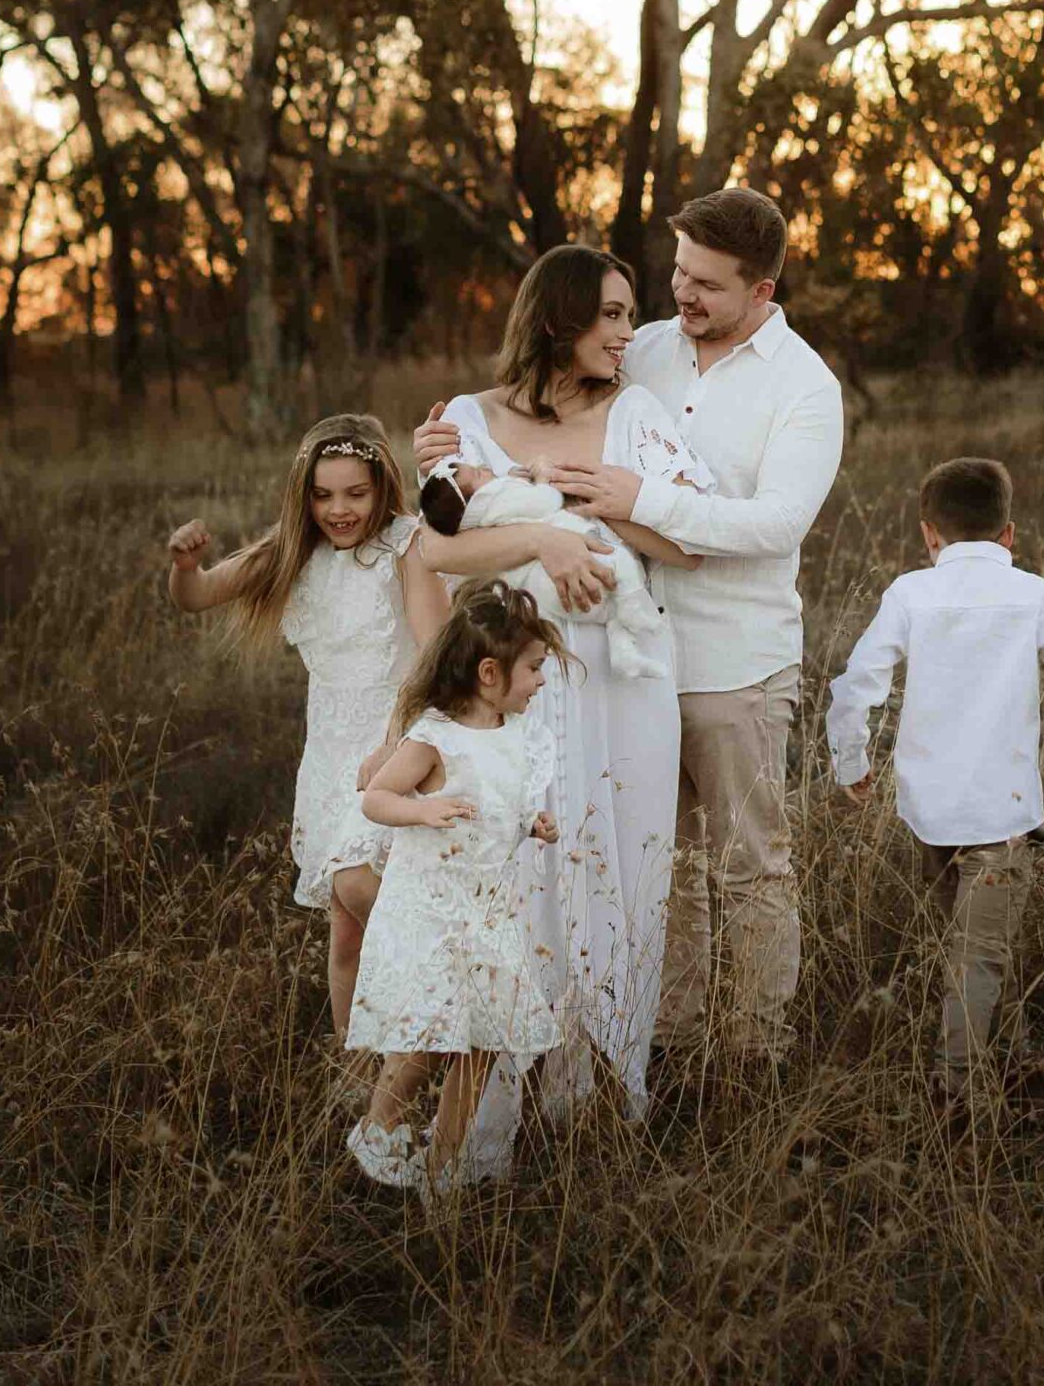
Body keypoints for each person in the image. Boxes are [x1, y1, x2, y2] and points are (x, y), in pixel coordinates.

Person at [524, 187, 845, 1068]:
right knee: (658, 866)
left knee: (750, 869)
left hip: (735, 665)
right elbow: (547, 408)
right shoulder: (647, 351)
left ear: (763, 293)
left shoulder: (806, 389)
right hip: (628, 659)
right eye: (678, 272)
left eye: (706, 283)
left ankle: (753, 1057)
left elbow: (776, 524)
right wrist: (454, 443)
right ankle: (672, 1038)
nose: (682, 295)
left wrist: (644, 501)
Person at [413, 243, 712, 1130]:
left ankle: (596, 1089)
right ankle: (498, 1090)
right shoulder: (465, 420)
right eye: (612, 315)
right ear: (558, 321)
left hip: (621, 679)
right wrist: (543, 543)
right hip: (513, 687)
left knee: (616, 864)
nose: (627, 333)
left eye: (628, 315)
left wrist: (599, 507)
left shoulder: (639, 415)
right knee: (521, 865)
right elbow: (438, 546)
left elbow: (692, 540)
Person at [825, 455, 1044, 1101]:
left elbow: (856, 688)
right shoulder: (1037, 595)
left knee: (966, 945)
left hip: (928, 809)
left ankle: (1001, 1059)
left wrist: (850, 763)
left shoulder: (910, 592)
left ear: (928, 533)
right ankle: (958, 1094)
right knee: (979, 954)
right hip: (1002, 812)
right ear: (1009, 534)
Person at [163, 413, 453, 1039]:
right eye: (323, 495)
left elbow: (434, 654)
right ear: (305, 495)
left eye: (355, 493)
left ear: (382, 486)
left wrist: (396, 744)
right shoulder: (293, 552)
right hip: (329, 758)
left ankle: (443, 1017)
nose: (339, 510)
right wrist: (186, 567)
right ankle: (358, 1064)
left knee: (365, 888)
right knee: (345, 932)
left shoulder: (406, 547)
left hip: (396, 749)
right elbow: (199, 595)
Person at [346, 582, 566, 1193]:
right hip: (433, 909)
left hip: (488, 912)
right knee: (428, 1029)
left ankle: (444, 1170)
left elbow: (502, 803)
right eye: (535, 669)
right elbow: (377, 798)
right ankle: (381, 1124)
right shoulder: (435, 736)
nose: (542, 682)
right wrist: (423, 812)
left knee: (483, 1042)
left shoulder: (517, 732)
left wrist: (533, 823)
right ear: (489, 672)